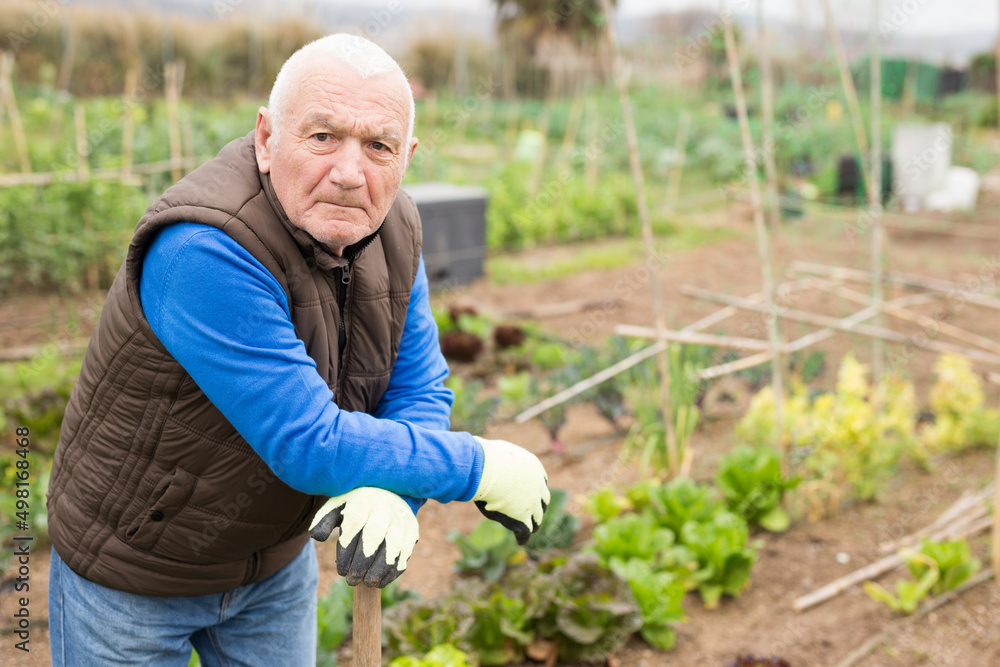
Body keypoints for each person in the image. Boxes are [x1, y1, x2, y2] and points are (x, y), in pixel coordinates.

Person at [46, 33, 550, 666]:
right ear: (265, 137)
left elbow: (417, 387)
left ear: (407, 156)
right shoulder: (203, 250)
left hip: (274, 564)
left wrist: (395, 494)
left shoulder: (394, 227)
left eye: (378, 146)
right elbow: (308, 442)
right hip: (136, 572)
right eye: (322, 137)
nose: (348, 172)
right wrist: (478, 467)